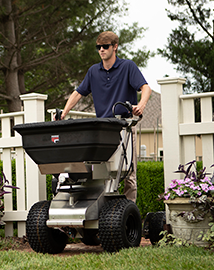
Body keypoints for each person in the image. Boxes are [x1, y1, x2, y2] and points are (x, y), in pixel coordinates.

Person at [58, 31, 152, 203]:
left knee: (128, 172)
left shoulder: (128, 67)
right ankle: (103, 211)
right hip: (103, 129)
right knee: (100, 171)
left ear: (115, 47)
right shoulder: (93, 71)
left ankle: (128, 212)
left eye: (105, 46)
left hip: (125, 126)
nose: (101, 50)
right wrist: (64, 113)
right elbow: (78, 93)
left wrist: (141, 105)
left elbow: (146, 88)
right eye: (98, 47)